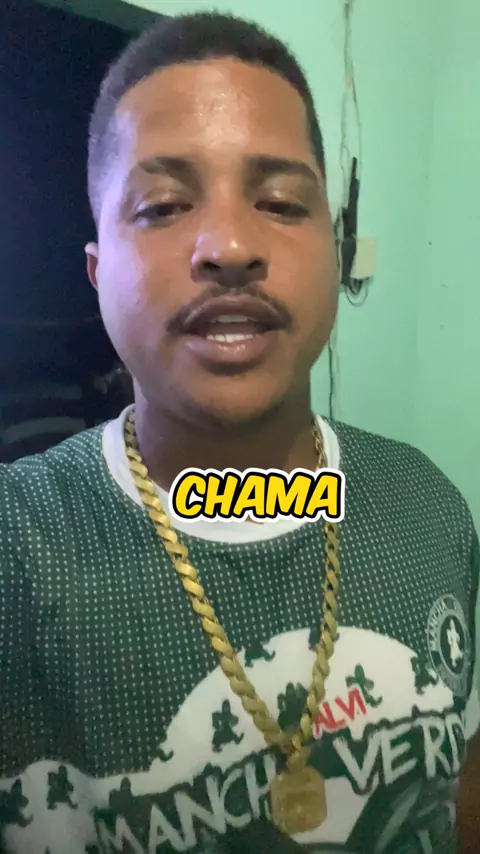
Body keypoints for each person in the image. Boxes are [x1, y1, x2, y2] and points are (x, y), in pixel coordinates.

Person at [0, 11, 478, 854]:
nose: (227, 246)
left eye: (281, 202)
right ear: (97, 273)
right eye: (163, 205)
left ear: (336, 249)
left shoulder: (428, 506)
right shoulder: (20, 553)